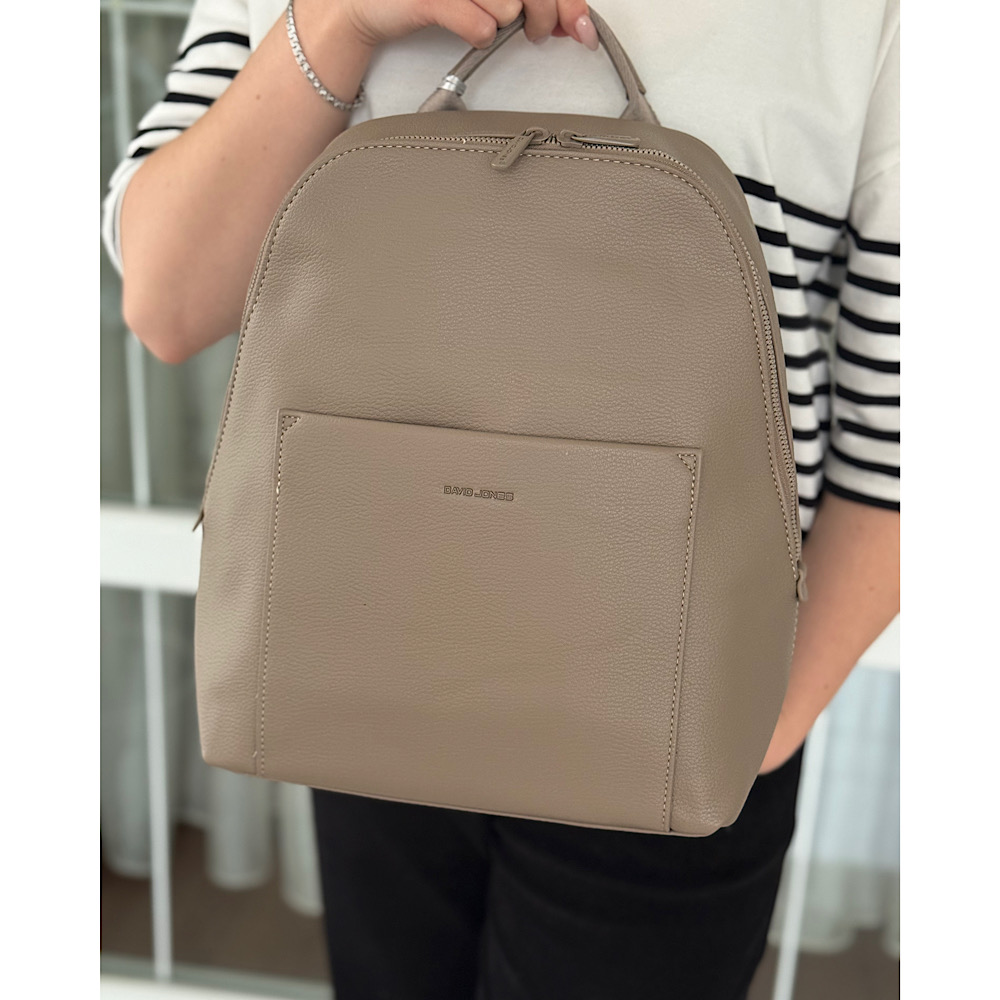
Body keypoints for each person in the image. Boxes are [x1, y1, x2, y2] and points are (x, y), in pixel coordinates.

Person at [101, 1, 900, 996]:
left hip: (667, 701)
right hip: (364, 657)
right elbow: (168, 300)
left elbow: (908, 435)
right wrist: (343, 21)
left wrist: (756, 728)